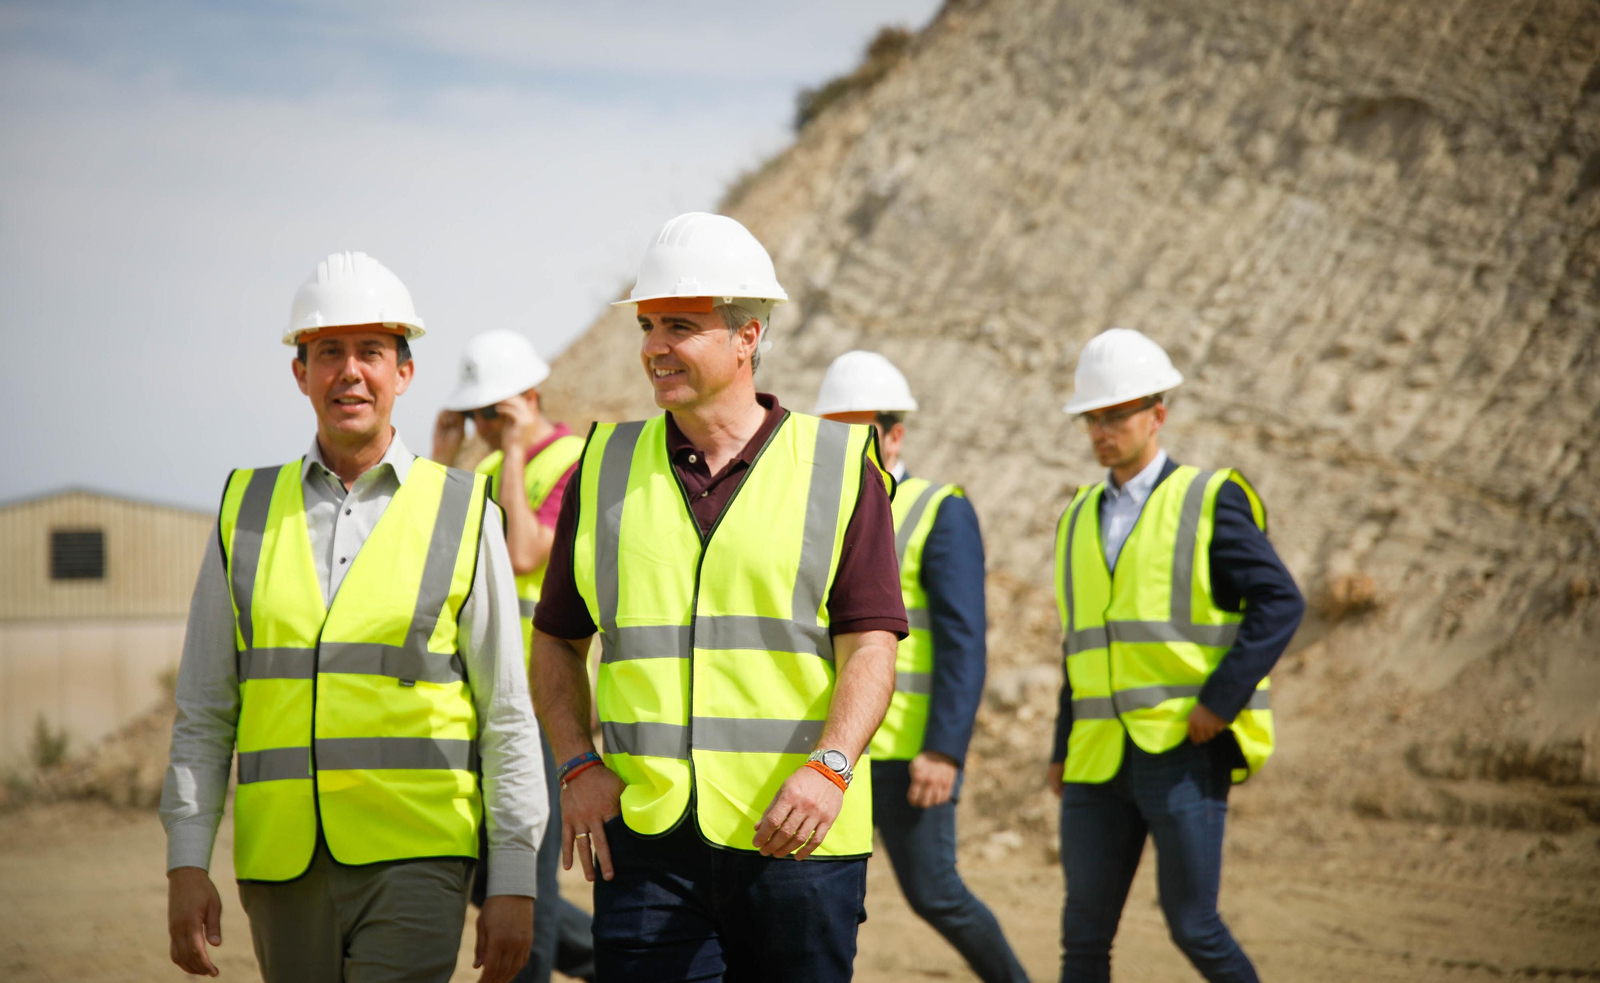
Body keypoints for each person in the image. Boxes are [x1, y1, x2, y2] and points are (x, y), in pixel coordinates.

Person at [529, 212, 906, 982]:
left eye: (680, 325)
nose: (654, 346)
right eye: (648, 325)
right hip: (646, 843)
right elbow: (557, 641)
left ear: (747, 337)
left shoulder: (839, 466)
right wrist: (575, 763)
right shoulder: (602, 467)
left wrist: (831, 766)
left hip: (797, 835)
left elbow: (870, 644)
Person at [160, 252, 546, 983]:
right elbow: (205, 710)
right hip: (280, 867)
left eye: (371, 351)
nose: (350, 372)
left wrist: (514, 878)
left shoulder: (464, 510)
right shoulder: (245, 511)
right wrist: (186, 859)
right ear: (300, 373)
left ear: (404, 372)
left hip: (419, 856)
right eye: (329, 352)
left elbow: (506, 713)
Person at [1049, 328, 1305, 983]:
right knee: (1082, 939)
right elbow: (1083, 644)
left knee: (1194, 926)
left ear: (1157, 415)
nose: (1102, 430)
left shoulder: (1208, 498)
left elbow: (1280, 602)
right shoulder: (1076, 516)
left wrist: (1221, 700)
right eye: (1092, 418)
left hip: (1182, 748)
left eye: (1116, 415)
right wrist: (1061, 744)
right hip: (1096, 756)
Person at [813, 351, 1028, 983]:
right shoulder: (812, 510)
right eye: (833, 430)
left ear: (895, 435)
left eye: (860, 430)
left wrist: (944, 749)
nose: (846, 445)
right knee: (810, 896)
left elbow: (964, 641)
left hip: (906, 751)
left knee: (935, 893)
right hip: (830, 747)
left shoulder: (939, 510)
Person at [434, 330, 595, 983]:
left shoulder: (574, 461)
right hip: (480, 694)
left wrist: (519, 449)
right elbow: (429, 555)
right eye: (475, 414)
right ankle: (609, 961)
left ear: (529, 397)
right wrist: (443, 457)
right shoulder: (483, 472)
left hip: (540, 699)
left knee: (527, 874)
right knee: (480, 866)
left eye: (493, 411)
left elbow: (526, 552)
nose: (484, 425)